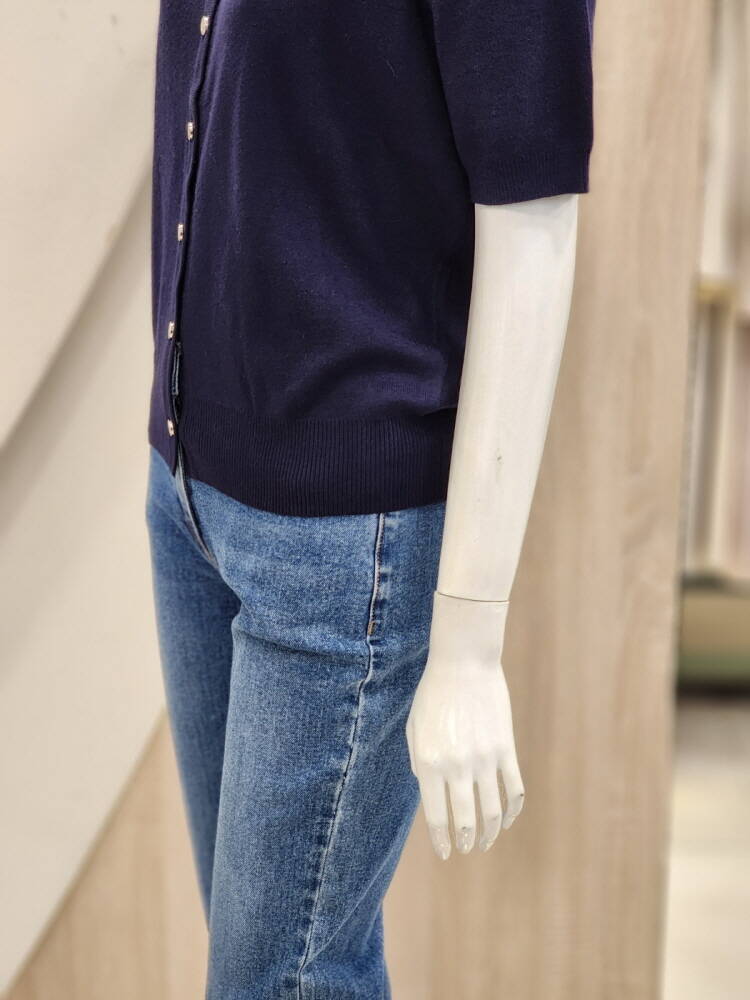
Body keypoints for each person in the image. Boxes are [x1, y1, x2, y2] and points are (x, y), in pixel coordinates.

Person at [144, 1, 595, 996]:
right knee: (280, 964)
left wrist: (470, 641)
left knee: (278, 976)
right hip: (187, 483)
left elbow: (534, 215)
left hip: (344, 543)